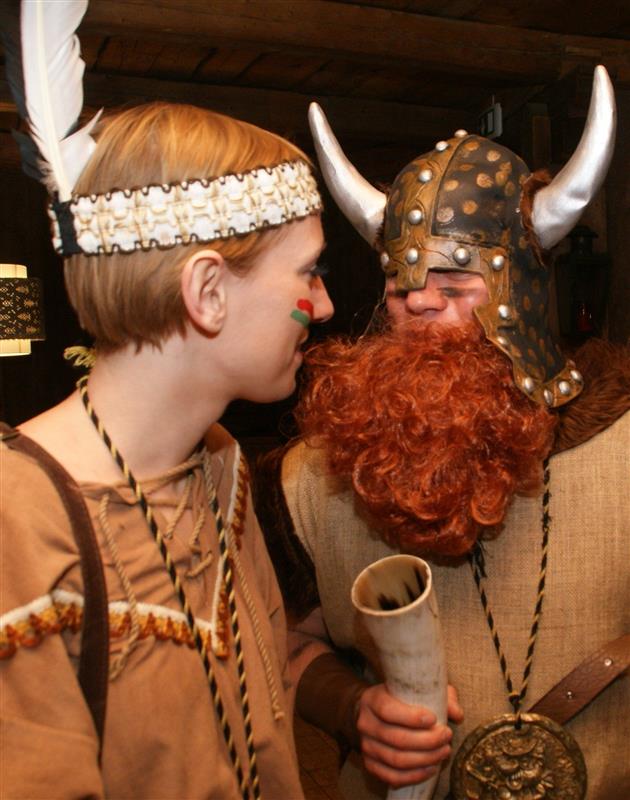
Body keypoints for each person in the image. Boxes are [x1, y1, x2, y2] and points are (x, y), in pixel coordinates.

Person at [254, 67, 629, 799]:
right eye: (401, 287)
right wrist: (352, 707)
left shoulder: (622, 450)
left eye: (455, 286)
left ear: (525, 294)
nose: (420, 304)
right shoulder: (311, 478)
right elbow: (286, 644)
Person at [0, 2, 334, 798]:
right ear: (208, 292)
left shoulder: (221, 467)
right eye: (308, 273)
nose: (323, 306)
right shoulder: (18, 525)